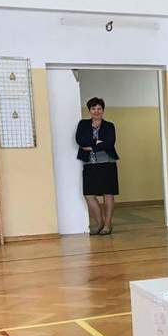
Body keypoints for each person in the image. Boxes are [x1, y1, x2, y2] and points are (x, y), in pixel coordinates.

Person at [75, 97, 119, 235]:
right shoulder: (83, 124)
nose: (96, 111)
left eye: (99, 108)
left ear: (103, 110)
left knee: (108, 193)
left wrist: (91, 146)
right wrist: (98, 143)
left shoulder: (109, 126)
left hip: (107, 163)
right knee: (89, 194)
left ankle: (108, 225)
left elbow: (109, 143)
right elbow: (80, 140)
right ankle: (100, 223)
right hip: (89, 163)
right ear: (89, 110)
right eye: (93, 108)